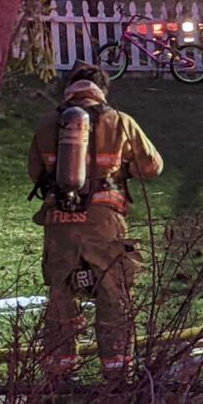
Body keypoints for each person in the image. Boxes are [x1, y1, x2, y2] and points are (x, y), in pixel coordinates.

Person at [28, 62, 163, 383]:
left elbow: (35, 173)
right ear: (101, 89)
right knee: (113, 292)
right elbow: (152, 166)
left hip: (59, 223)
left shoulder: (48, 124)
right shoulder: (120, 122)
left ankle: (59, 374)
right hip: (104, 224)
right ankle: (117, 373)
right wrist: (121, 172)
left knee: (61, 295)